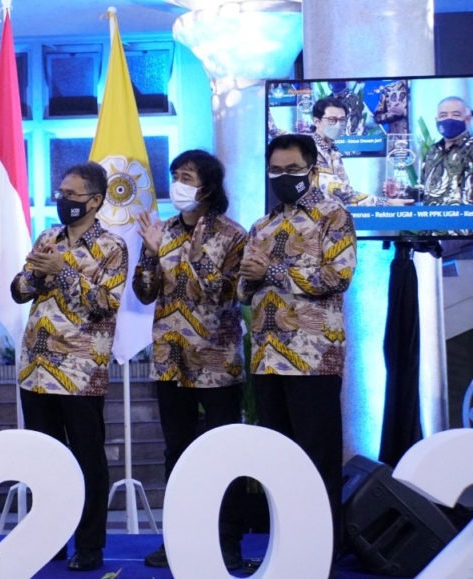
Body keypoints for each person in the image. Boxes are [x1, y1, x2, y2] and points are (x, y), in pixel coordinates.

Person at [238, 134, 357, 554]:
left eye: (292, 170)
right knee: (278, 461)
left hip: (312, 359)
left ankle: (322, 551)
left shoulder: (333, 216)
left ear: (311, 168)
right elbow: (242, 291)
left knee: (317, 457)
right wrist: (251, 276)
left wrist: (271, 270)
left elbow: (336, 277)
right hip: (267, 358)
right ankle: (285, 548)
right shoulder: (262, 225)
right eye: (276, 170)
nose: (283, 178)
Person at [132, 150, 247, 571]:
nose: (178, 183)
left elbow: (226, 293)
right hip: (170, 359)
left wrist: (191, 253)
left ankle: (227, 542)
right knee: (176, 453)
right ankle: (177, 539)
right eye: (175, 175)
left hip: (216, 360)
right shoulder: (162, 229)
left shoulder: (232, 235)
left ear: (209, 187)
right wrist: (149, 253)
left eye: (187, 176)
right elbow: (145, 292)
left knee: (223, 453)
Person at [10, 161, 126, 572]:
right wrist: (37, 274)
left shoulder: (112, 246)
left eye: (72, 195)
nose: (64, 201)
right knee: (45, 461)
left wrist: (65, 271)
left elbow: (104, 304)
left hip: (80, 373)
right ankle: (49, 538)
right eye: (60, 193)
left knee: (87, 459)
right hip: (36, 368)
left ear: (95, 200)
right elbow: (19, 290)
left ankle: (90, 545)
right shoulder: (48, 237)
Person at [310, 96, 412, 207]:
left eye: (342, 120)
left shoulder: (333, 151)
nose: (338, 125)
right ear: (317, 122)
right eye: (332, 120)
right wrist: (386, 203)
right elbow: (340, 192)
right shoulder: (308, 150)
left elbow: (345, 191)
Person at [421, 96, 473, 207]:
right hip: (432, 220)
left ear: (468, 119)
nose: (449, 119)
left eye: (456, 115)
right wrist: (400, 191)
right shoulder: (432, 152)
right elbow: (423, 191)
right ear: (436, 121)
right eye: (443, 115)